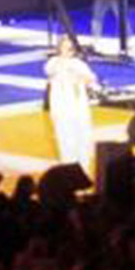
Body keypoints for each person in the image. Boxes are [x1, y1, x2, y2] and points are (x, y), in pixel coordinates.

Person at [43, 41, 97, 173]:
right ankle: (68, 167)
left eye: (71, 48)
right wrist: (67, 68)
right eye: (66, 47)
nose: (69, 50)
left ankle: (83, 168)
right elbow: (51, 71)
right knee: (65, 136)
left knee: (82, 134)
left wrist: (82, 77)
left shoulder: (79, 64)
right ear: (60, 49)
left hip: (77, 105)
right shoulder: (53, 63)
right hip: (62, 106)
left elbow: (91, 79)